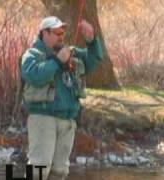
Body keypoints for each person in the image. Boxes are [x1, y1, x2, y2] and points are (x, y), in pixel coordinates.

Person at [21, 16, 103, 180]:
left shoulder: (70, 53)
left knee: (60, 171)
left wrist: (92, 40)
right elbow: (34, 75)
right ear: (44, 33)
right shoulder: (32, 54)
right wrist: (58, 61)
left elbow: (94, 60)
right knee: (38, 168)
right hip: (43, 119)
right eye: (57, 32)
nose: (61, 35)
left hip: (67, 121)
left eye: (63, 32)